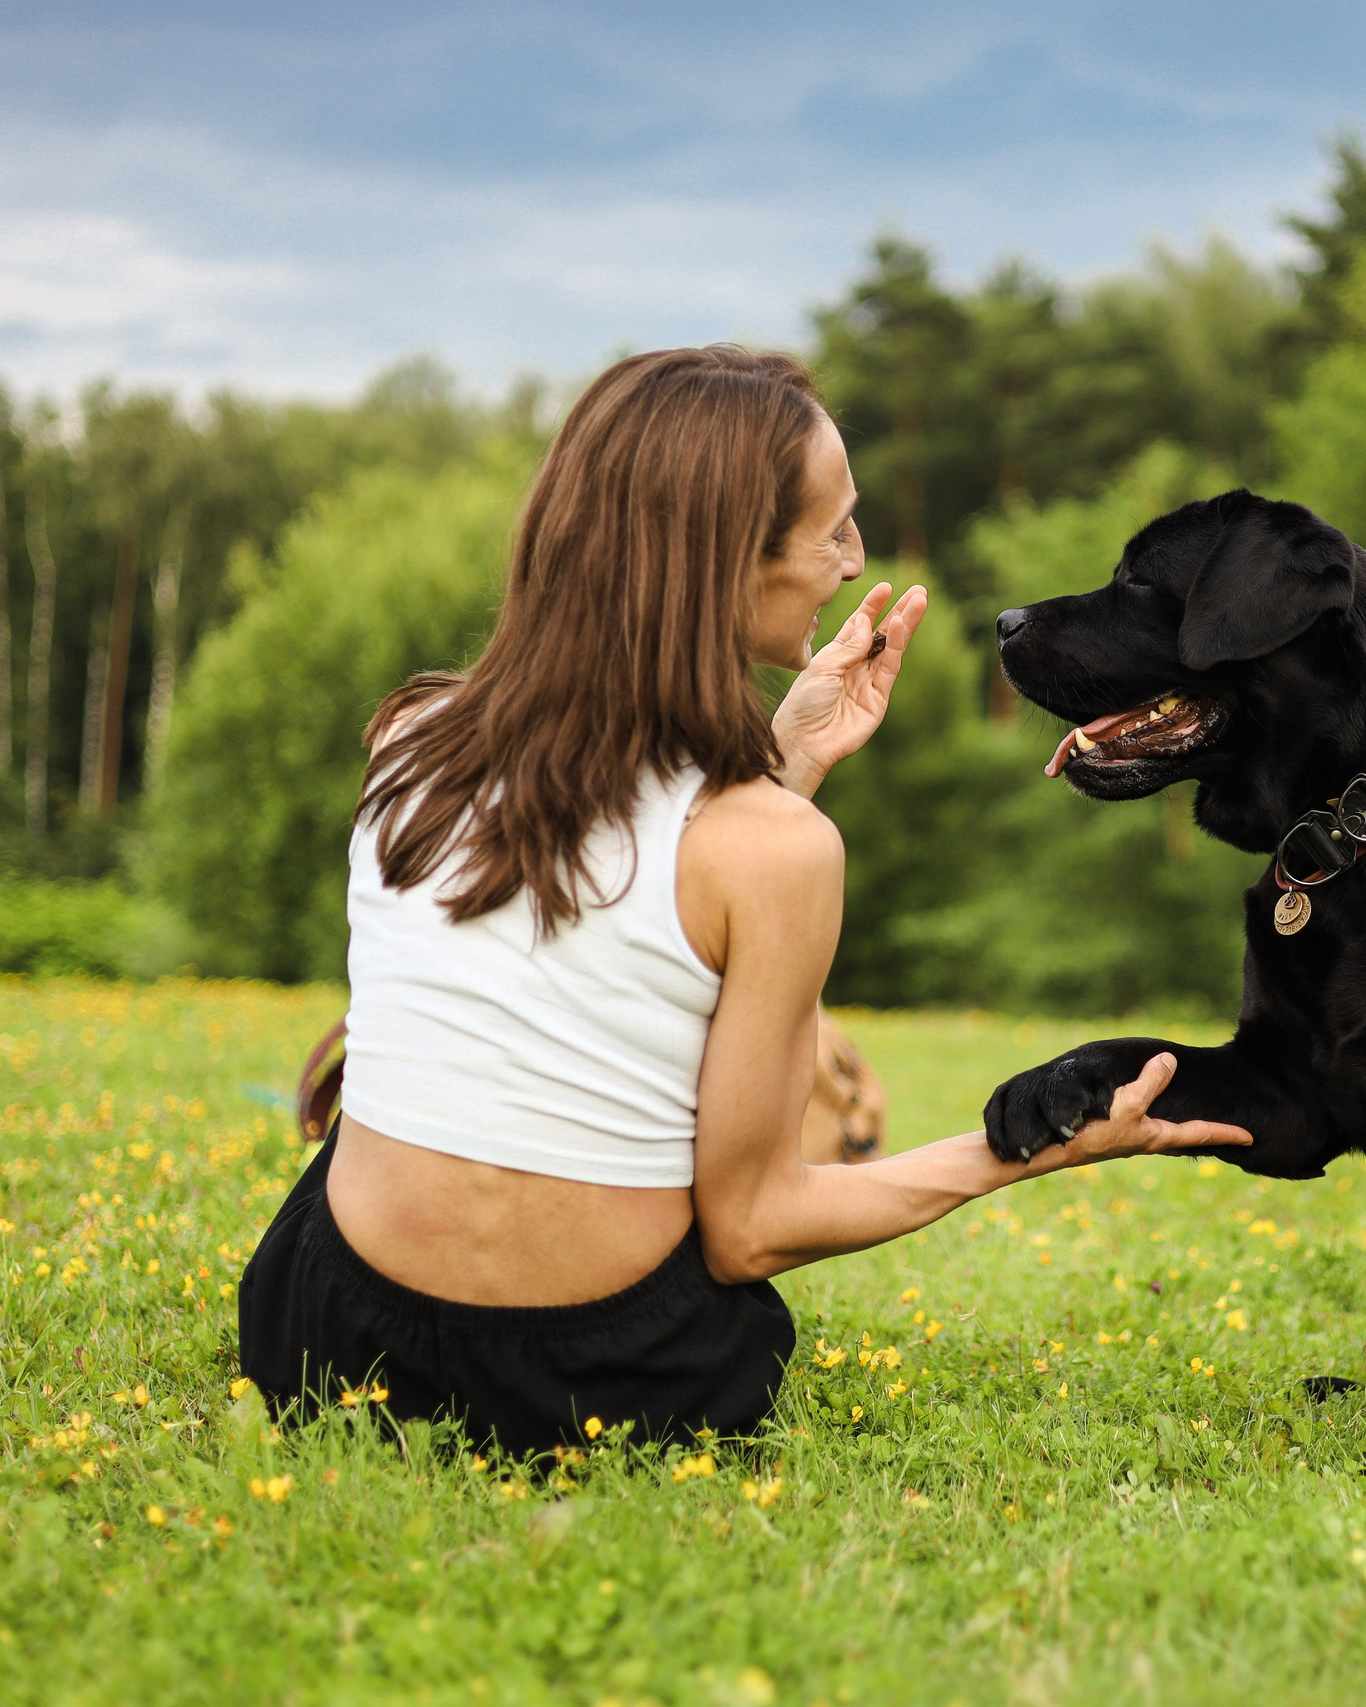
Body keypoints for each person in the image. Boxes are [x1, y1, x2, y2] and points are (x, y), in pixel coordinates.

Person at [236, 346, 1249, 1455]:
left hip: (323, 1349)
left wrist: (785, 761)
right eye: (830, 530)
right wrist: (1038, 1149)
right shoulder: (776, 852)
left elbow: (609, 908)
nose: (852, 559)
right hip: (610, 1382)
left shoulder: (410, 739)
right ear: (724, 562)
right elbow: (751, 1230)